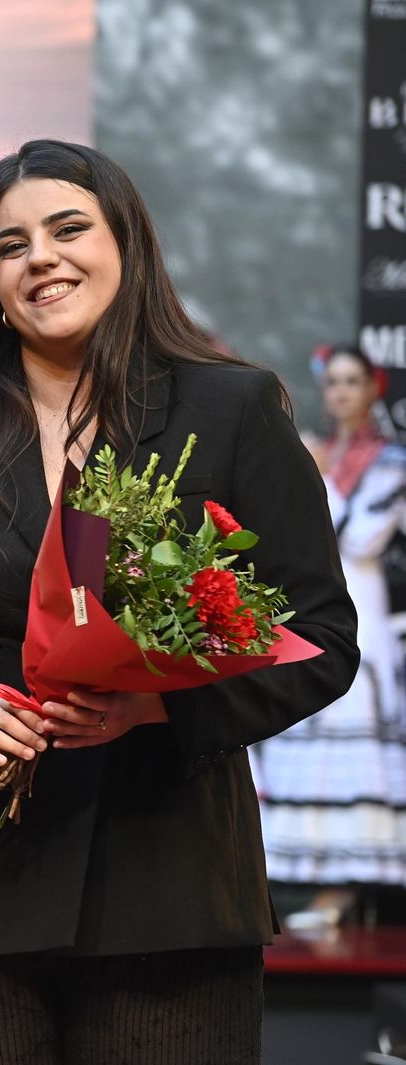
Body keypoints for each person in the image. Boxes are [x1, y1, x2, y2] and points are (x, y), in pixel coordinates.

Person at [0, 139, 358, 1064]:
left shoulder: (230, 409)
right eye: (11, 244)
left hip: (170, 895)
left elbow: (321, 638)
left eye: (69, 228)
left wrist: (157, 701)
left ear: (126, 246)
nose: (42, 258)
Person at [257, 344, 406, 921]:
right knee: (305, 725)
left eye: (353, 381)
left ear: (374, 388)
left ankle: (345, 888)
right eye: (334, 382)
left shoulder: (392, 461)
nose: (342, 392)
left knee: (353, 727)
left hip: (363, 603)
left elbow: (362, 536)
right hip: (314, 599)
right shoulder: (312, 453)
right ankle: (307, 877)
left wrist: (324, 482)